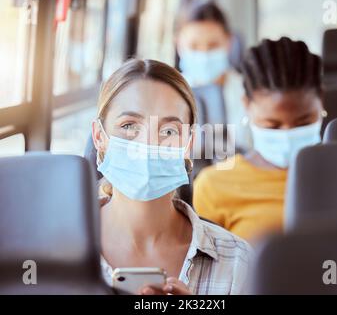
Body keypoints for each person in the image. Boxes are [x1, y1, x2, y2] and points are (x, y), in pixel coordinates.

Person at [92, 59, 253, 295]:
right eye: (128, 125)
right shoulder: (54, 251)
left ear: (189, 144)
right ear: (98, 137)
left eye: (169, 131)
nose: (147, 143)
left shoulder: (239, 263)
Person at [193, 37, 326, 244]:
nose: (287, 134)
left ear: (321, 101)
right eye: (272, 125)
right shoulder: (213, 186)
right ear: (246, 105)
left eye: (303, 122)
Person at [175, 0, 250, 151]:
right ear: (178, 44)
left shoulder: (249, 92)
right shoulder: (170, 92)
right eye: (194, 46)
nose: (204, 55)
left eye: (213, 45)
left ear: (229, 43)